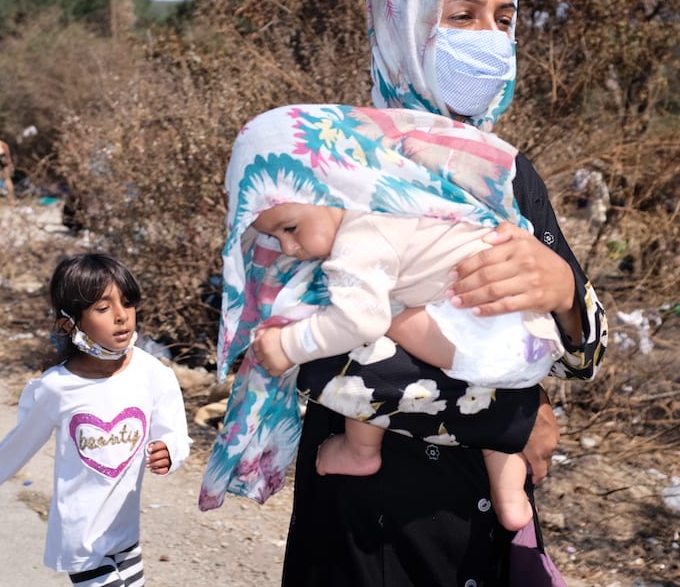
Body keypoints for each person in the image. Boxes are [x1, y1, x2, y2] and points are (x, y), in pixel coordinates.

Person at [266, 0, 607, 586]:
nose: (490, 37)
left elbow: (587, 352)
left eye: (504, 20)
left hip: (486, 531)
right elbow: (315, 360)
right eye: (463, 16)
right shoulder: (329, 171)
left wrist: (564, 289)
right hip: (372, 539)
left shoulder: (509, 174)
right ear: (403, 27)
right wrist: (514, 415)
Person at [206, 104, 567, 531]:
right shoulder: (410, 191)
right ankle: (511, 501)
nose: (287, 249)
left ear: (330, 186)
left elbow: (360, 325)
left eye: (290, 227)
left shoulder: (361, 235)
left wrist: (287, 346)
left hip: (482, 335)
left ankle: (360, 452)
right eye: (275, 236)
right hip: (526, 339)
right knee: (401, 326)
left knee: (369, 327)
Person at [0, 252, 191, 585]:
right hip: (81, 540)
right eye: (103, 308)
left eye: (127, 304)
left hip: (125, 532)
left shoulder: (151, 372)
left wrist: (171, 451)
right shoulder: (57, 388)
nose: (121, 317)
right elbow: (17, 445)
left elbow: (174, 431)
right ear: (69, 323)